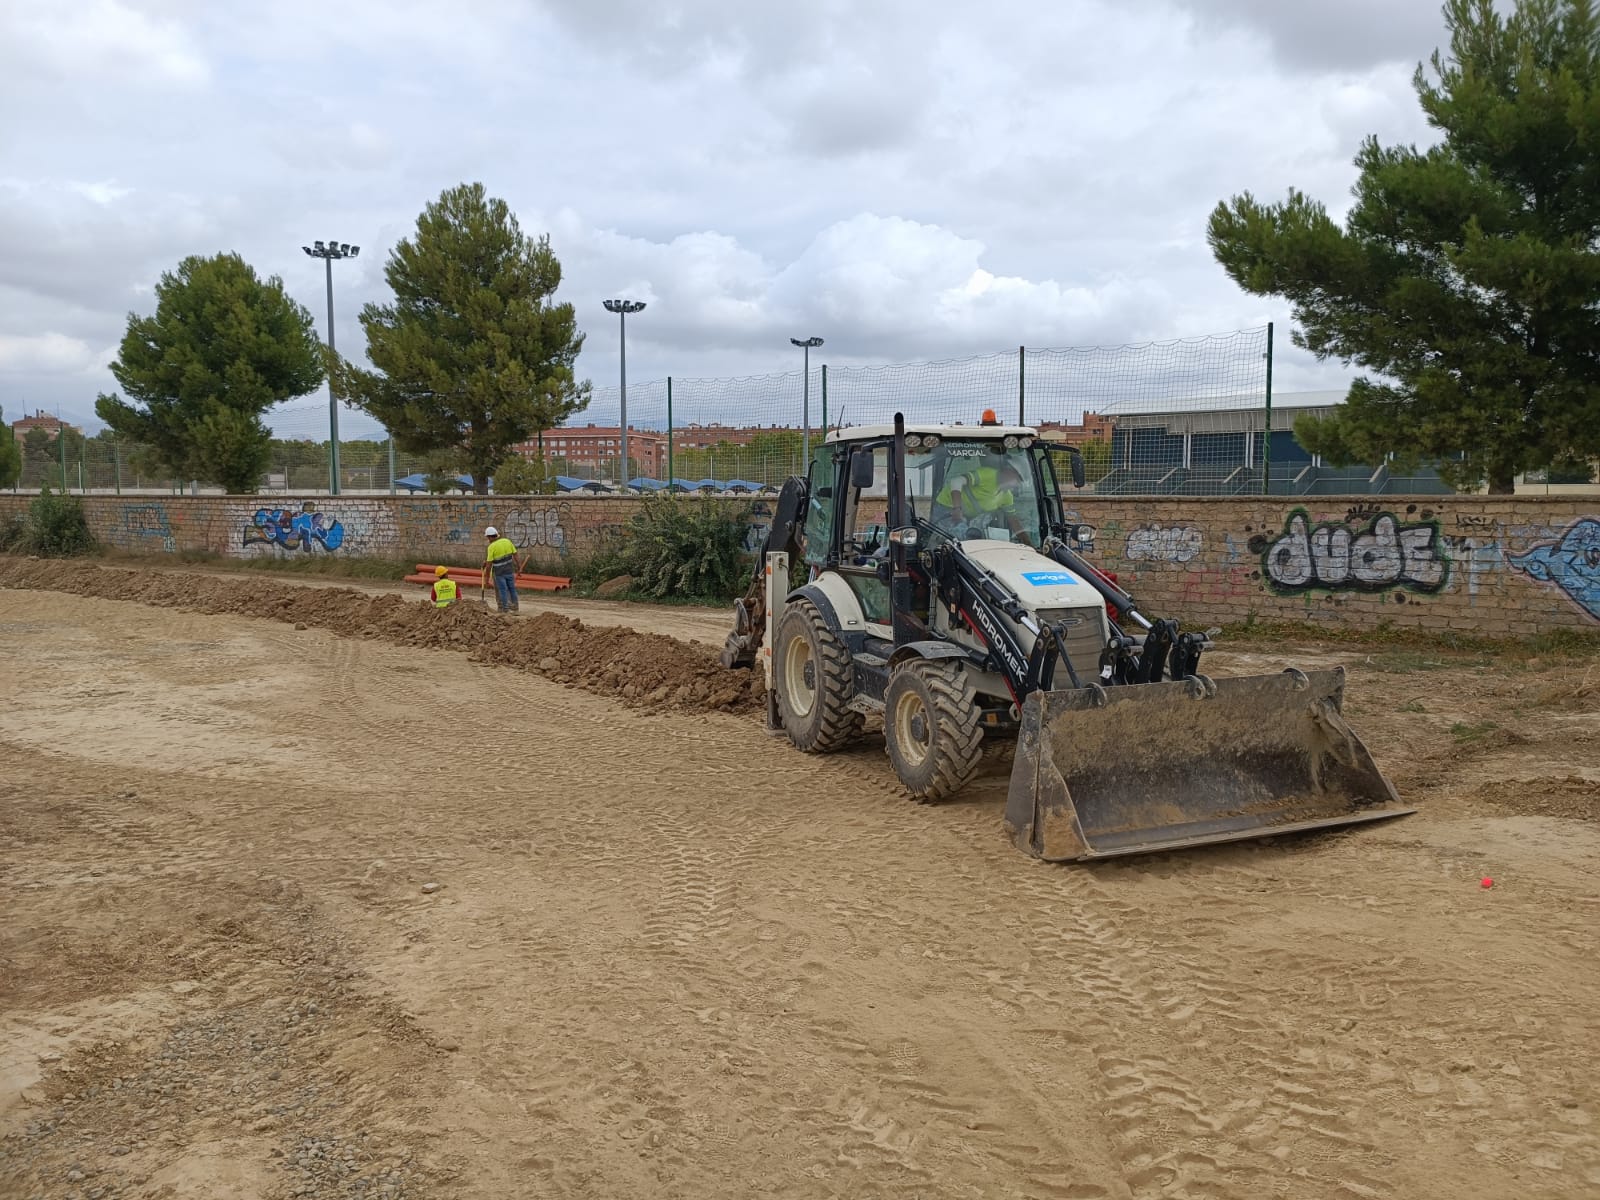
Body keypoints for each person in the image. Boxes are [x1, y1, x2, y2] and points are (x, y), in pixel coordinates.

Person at [933, 457, 1029, 542]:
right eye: (1017, 479)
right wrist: (957, 508)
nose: (1016, 484)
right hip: (947, 508)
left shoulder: (1006, 496)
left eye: (1019, 481)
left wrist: (1029, 545)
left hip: (965, 516)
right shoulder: (989, 474)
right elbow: (956, 481)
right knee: (962, 541)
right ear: (1009, 471)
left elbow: (1014, 521)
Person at [483, 526, 521, 613]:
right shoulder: (507, 541)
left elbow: (489, 565)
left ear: (490, 537)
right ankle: (515, 608)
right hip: (509, 571)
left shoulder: (491, 547)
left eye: (488, 537)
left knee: (502, 590)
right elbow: (515, 554)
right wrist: (519, 567)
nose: (488, 539)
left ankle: (505, 609)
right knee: (512, 589)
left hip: (499, 573)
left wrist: (486, 578)